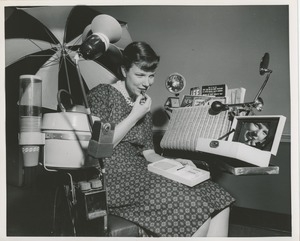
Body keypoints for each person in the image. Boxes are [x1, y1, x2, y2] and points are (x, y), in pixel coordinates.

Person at [87, 41, 235, 237]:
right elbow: (100, 147)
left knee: (217, 197)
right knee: (193, 208)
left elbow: (148, 152)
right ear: (124, 71)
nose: (147, 83)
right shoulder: (101, 94)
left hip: (140, 170)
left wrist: (173, 162)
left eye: (151, 76)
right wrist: (134, 116)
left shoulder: (142, 104)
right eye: (140, 75)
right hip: (112, 176)